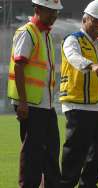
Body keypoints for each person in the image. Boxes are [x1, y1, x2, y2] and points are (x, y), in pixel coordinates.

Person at [7, 0, 62, 187]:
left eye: (56, 12)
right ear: (37, 9)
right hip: (31, 105)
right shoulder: (28, 33)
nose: (54, 15)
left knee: (52, 150)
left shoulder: (44, 34)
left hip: (45, 104)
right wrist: (22, 102)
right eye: (50, 11)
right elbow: (19, 66)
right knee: (32, 153)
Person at [59, 0, 98, 187]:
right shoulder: (72, 39)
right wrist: (91, 65)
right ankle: (66, 184)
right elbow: (73, 57)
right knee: (75, 152)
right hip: (78, 104)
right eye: (95, 21)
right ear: (85, 19)